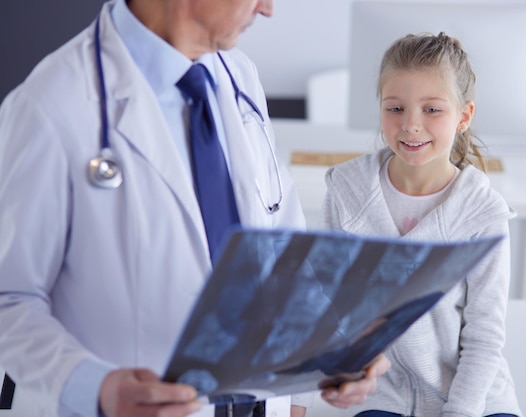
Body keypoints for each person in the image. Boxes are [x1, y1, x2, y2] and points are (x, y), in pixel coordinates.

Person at [0, 1, 390, 416]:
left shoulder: (238, 76)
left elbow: (281, 251)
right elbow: (10, 298)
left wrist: (335, 347)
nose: (268, 8)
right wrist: (94, 387)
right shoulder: (51, 105)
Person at [318, 33, 522, 417]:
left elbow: (484, 337)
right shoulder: (347, 193)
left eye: (432, 110)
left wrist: (459, 412)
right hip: (387, 394)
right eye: (395, 108)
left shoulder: (483, 214)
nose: (411, 125)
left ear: (464, 116)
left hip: (474, 396)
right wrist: (295, 400)